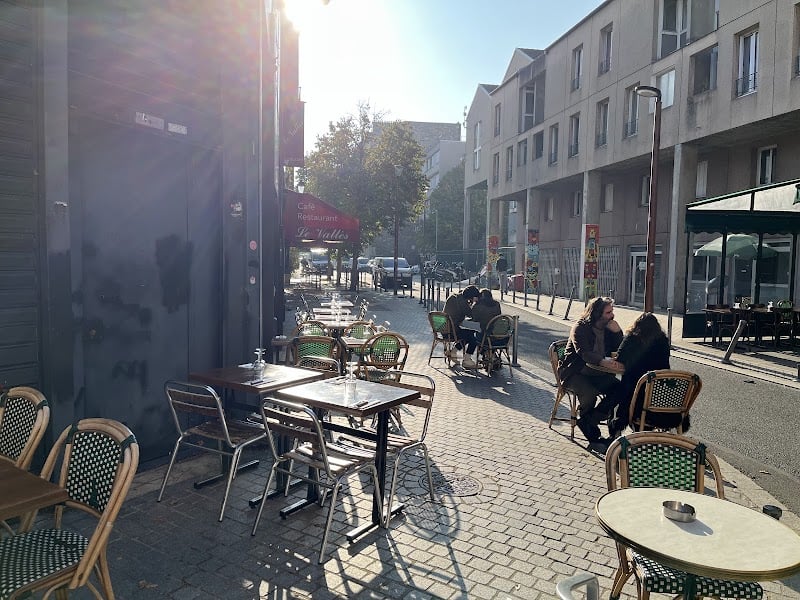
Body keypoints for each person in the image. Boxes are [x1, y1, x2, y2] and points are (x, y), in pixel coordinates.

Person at [557, 296, 623, 452]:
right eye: (608, 312)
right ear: (597, 313)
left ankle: (589, 421)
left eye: (612, 311)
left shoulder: (608, 327)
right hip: (575, 371)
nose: (612, 315)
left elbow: (619, 350)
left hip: (597, 372)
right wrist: (602, 361)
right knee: (589, 394)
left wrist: (618, 332)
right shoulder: (580, 327)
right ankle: (593, 437)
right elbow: (584, 353)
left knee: (621, 388)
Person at [606, 313, 687, 437]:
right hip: (661, 395)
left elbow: (620, 357)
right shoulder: (663, 340)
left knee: (618, 393)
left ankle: (614, 432)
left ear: (637, 326)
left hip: (637, 394)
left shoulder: (633, 338)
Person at [443, 284, 481, 368]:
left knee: (467, 334)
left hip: (444, 329)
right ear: (471, 296)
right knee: (473, 337)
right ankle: (467, 360)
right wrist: (475, 303)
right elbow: (472, 315)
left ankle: (453, 351)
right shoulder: (462, 302)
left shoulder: (454, 297)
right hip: (451, 332)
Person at [471, 288, 503, 370]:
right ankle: (491, 355)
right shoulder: (496, 304)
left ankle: (487, 355)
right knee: (486, 333)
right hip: (498, 336)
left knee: (473, 336)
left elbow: (474, 319)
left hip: (484, 336)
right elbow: (499, 317)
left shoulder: (477, 306)